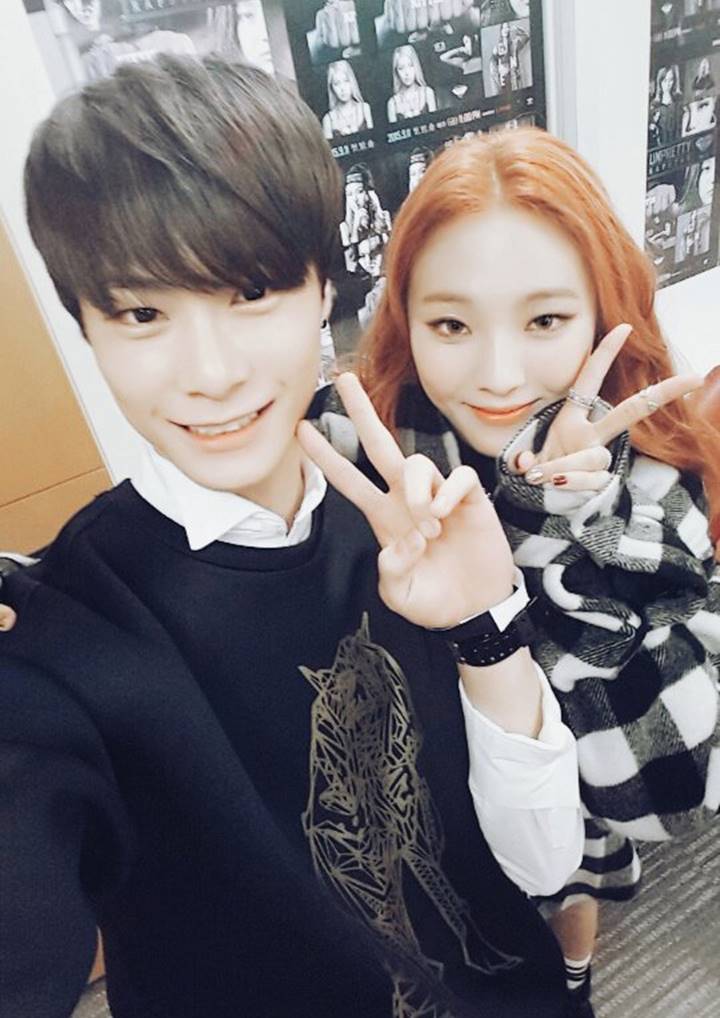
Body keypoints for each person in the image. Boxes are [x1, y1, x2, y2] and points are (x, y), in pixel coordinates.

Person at [0, 57, 584, 1018]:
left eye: (251, 292)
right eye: (143, 313)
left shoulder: (411, 506)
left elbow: (544, 865)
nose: (212, 372)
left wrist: (484, 632)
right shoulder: (63, 633)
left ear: (323, 291)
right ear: (87, 329)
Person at [311, 128, 720, 1017]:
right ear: (407, 321)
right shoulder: (369, 447)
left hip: (580, 823)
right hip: (432, 838)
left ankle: (575, 963)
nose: (499, 377)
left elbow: (669, 787)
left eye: (544, 321)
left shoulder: (653, 473)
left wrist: (560, 521)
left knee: (569, 899)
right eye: (452, 324)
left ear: (603, 313)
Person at [322, 58, 373, 139]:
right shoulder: (328, 119)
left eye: (346, 81)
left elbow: (374, 140)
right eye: (336, 83)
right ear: (331, 88)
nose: (342, 88)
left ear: (352, 82)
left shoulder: (365, 108)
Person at [387, 44, 437, 122]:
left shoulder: (427, 92)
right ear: (396, 72)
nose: (407, 73)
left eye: (410, 66)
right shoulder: (392, 103)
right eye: (401, 68)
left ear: (416, 66)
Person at [488, 20, 530, 94]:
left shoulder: (514, 44)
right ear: (501, 30)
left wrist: (516, 28)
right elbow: (493, 64)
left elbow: (526, 36)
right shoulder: (497, 47)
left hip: (514, 79)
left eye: (507, 27)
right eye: (503, 28)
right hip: (503, 82)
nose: (505, 30)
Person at [649, 65, 684, 147]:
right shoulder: (655, 105)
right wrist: (653, 124)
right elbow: (651, 130)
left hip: (677, 145)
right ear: (659, 82)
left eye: (671, 80)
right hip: (660, 147)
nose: (668, 84)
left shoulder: (678, 102)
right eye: (665, 81)